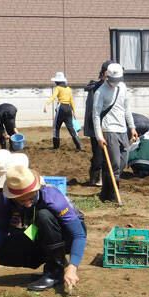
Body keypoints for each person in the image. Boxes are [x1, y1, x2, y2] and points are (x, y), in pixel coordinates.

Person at [0, 166, 86, 292]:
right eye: (22, 199)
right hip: (36, 231)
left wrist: (72, 267)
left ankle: (55, 271)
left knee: (44, 216)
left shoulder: (51, 196)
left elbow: (79, 234)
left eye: (31, 197)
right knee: (1, 251)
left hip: (67, 235)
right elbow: (1, 227)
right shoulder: (6, 199)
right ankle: (54, 261)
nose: (27, 202)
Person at [93, 63, 137, 203]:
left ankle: (105, 192)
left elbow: (127, 108)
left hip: (123, 130)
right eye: (113, 80)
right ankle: (113, 194)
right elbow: (95, 115)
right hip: (109, 130)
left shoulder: (122, 87)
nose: (115, 83)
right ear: (107, 77)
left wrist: (132, 127)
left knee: (123, 160)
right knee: (115, 164)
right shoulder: (100, 92)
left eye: (117, 80)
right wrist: (99, 136)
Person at [83, 61, 112, 186]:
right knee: (99, 153)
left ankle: (98, 178)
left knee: (102, 153)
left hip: (105, 125)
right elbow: (92, 111)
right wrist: (97, 128)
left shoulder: (107, 87)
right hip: (96, 125)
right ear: (105, 74)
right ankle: (96, 178)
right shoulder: (97, 89)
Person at [44, 71, 83, 151]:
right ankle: (79, 146)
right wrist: (74, 112)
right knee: (71, 128)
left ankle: (56, 146)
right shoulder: (68, 89)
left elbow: (53, 97)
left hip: (61, 107)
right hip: (68, 108)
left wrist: (47, 104)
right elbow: (71, 100)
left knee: (56, 127)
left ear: (57, 81)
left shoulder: (58, 88)